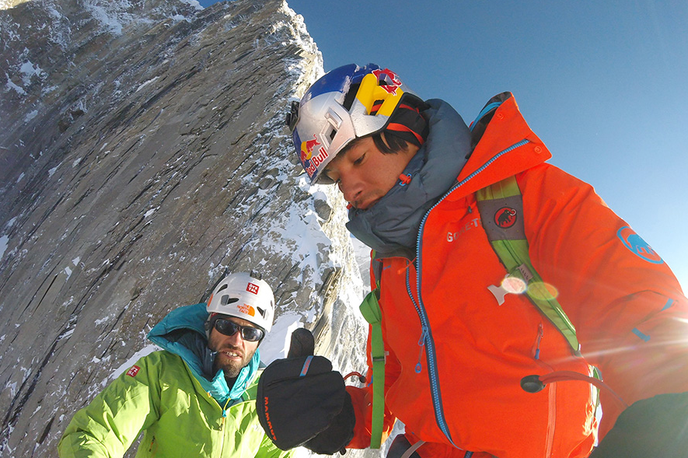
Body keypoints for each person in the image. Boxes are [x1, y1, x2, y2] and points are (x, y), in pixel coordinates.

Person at [257, 64, 688, 458]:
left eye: (358, 158)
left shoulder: (526, 196)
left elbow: (636, 305)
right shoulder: (387, 261)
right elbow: (393, 383)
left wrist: (665, 404)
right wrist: (336, 416)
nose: (350, 188)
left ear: (405, 127)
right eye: (335, 178)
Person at [58, 272, 293, 458]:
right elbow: (92, 435)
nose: (236, 340)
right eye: (227, 326)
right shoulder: (160, 373)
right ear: (209, 325)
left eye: (250, 332)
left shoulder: (264, 395)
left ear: (259, 341)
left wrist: (298, 434)